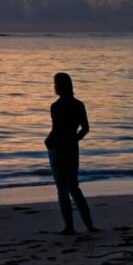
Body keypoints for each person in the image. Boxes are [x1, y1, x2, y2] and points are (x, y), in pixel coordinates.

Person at [45, 71, 97, 234]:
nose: (54, 87)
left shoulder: (56, 106)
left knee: (62, 188)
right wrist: (74, 139)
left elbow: (56, 130)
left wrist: (47, 141)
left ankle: (69, 226)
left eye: (55, 84)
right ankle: (89, 224)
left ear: (59, 86)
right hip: (72, 148)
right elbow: (85, 128)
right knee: (74, 187)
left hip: (58, 148)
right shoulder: (78, 104)